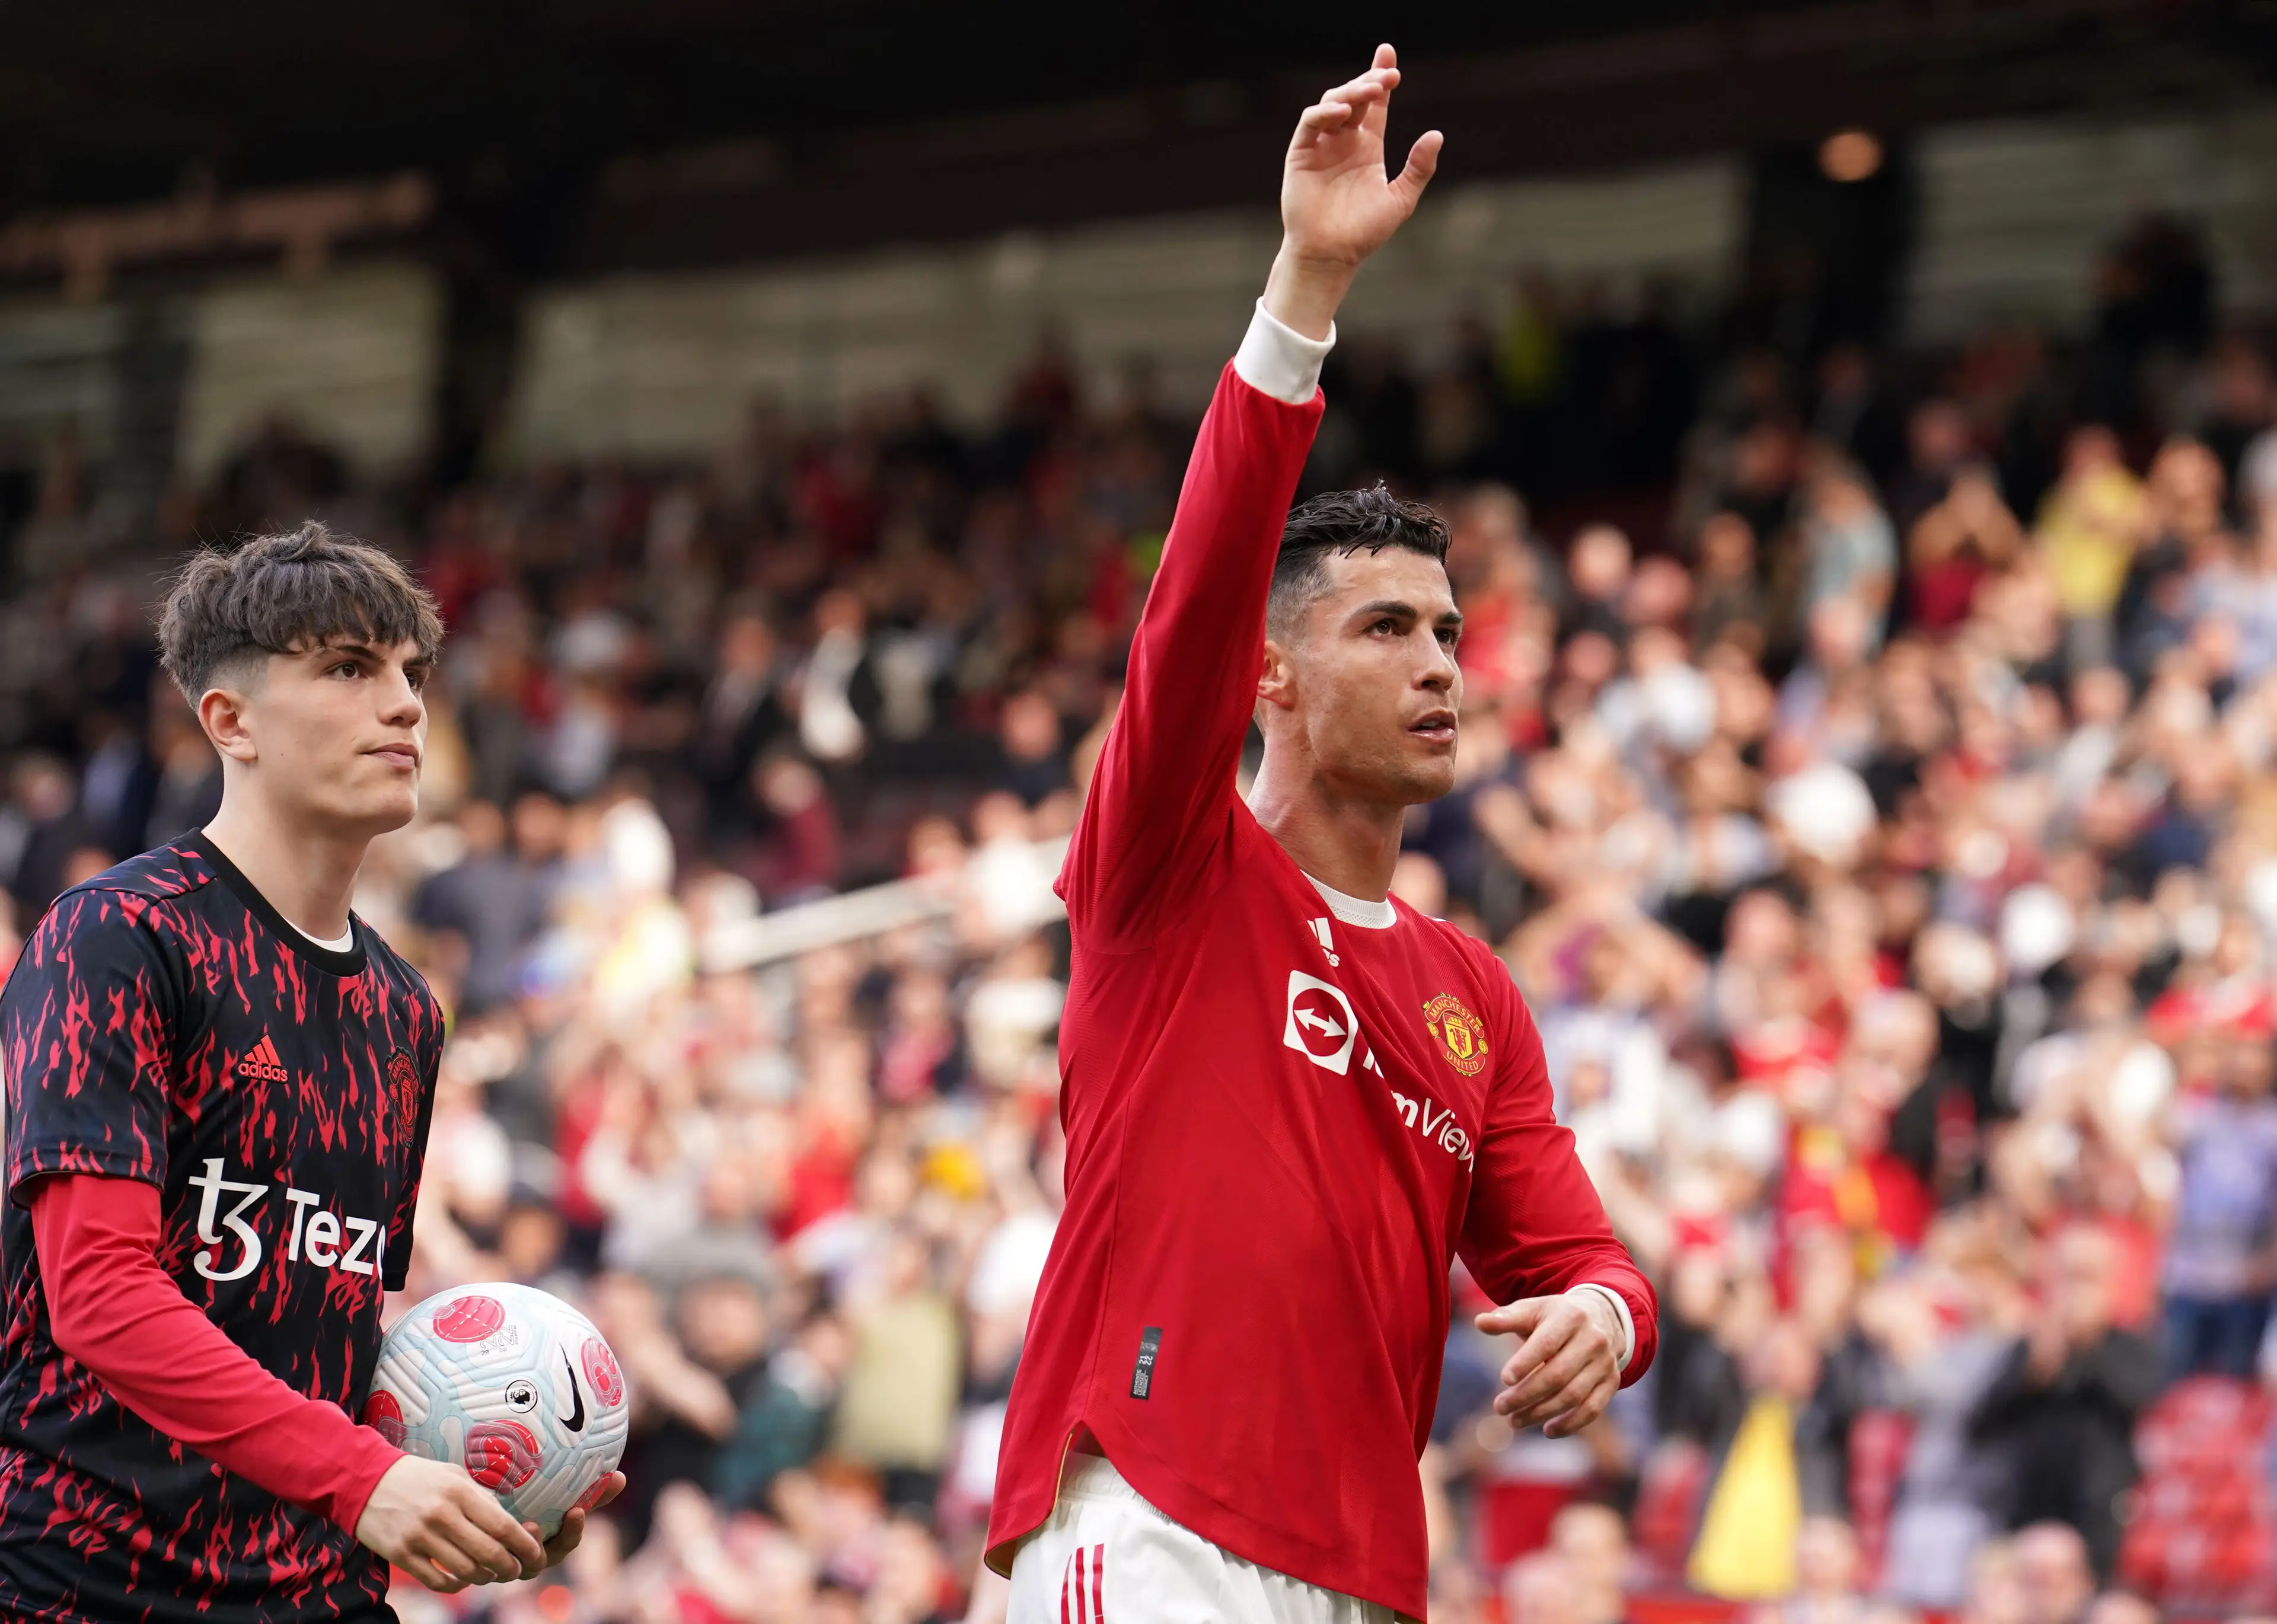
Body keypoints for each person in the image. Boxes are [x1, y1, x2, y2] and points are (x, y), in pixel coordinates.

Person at [986, 48, 1656, 1624]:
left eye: (1447, 630)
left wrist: (1608, 1323)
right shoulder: (1171, 868)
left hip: (1365, 1569)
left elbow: (1586, 1256)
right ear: (1271, 675)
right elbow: (1202, 584)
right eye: (1386, 628)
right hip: (1142, 1517)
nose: (1438, 661)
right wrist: (1307, 288)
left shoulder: (1472, 995)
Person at [0, 524, 623, 1620]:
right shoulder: (115, 934)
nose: (406, 705)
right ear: (228, 721)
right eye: (346, 667)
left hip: (316, 1592)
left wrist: (482, 1481)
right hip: (78, 1583)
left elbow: (316, 1318)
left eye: (409, 672)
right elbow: (99, 1293)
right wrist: (365, 1477)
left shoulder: (403, 1013)